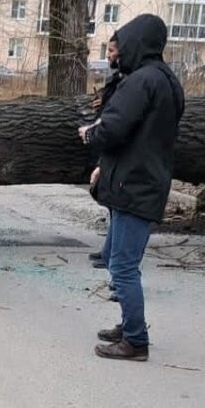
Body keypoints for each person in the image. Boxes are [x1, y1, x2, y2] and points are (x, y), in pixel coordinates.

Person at [80, 13, 185, 362]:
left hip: (133, 185)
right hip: (146, 180)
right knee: (122, 261)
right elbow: (141, 136)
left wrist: (91, 134)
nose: (115, 54)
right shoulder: (167, 81)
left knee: (122, 267)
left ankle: (135, 341)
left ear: (136, 43)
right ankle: (128, 326)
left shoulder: (140, 82)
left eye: (119, 47)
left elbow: (113, 129)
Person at [87, 42, 123, 272]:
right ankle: (108, 251)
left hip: (116, 149)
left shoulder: (129, 80)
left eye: (111, 51)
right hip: (107, 144)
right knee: (111, 206)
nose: (108, 55)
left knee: (115, 206)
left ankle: (112, 255)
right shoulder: (118, 78)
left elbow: (120, 113)